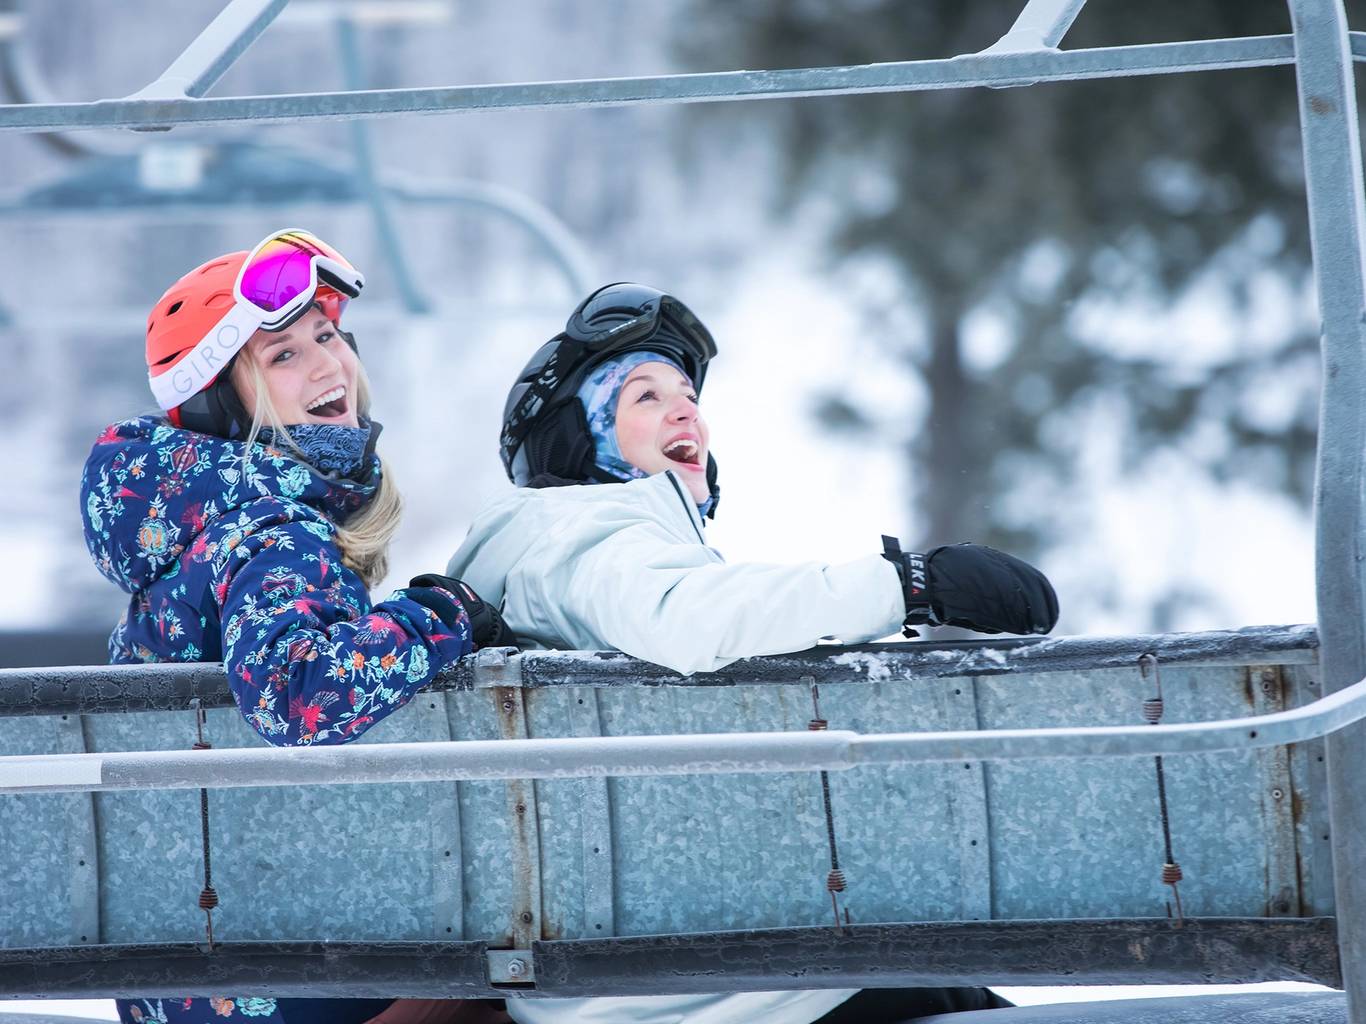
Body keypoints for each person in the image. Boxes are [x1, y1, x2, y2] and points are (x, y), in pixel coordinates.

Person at [444, 282, 1059, 1024]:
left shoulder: (565, 554)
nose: (685, 409)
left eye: (686, 394)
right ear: (578, 442)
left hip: (663, 977)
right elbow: (686, 617)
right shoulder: (580, 539)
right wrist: (911, 585)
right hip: (709, 994)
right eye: (643, 397)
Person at [80, 230, 510, 1024]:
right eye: (282, 355)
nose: (328, 364)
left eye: (328, 335)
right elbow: (299, 692)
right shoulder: (271, 531)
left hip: (175, 960)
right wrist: (442, 617)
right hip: (266, 967)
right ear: (222, 398)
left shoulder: (199, 533)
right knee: (522, 974)